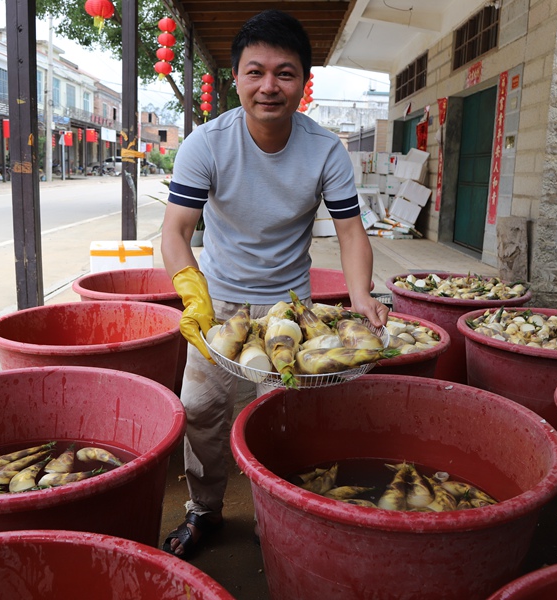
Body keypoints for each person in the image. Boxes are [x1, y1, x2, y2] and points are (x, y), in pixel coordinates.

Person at [160, 9, 388, 559]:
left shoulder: (325, 149)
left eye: (284, 73)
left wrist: (360, 299)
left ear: (303, 84)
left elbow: (352, 232)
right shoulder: (206, 144)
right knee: (201, 411)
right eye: (255, 71)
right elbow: (175, 230)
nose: (269, 86)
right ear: (234, 78)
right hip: (217, 303)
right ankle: (203, 509)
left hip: (292, 306)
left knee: (284, 422)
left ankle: (278, 520)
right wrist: (194, 295)